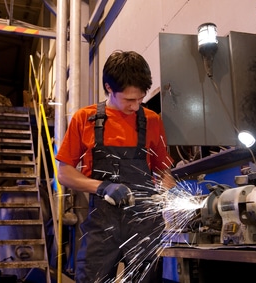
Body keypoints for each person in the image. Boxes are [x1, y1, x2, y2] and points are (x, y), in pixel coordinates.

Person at [56, 50, 175, 283]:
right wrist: (102, 187)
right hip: (102, 228)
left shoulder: (152, 121)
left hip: (145, 227)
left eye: (140, 99)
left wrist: (169, 196)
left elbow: (163, 172)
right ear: (109, 88)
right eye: (129, 100)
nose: (135, 106)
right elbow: (64, 173)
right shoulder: (85, 119)